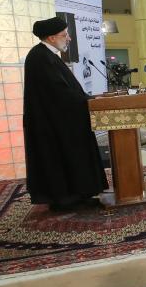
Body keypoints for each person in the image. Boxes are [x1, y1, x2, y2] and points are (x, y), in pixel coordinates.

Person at [24, 17, 108, 211]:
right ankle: (66, 200)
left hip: (62, 120)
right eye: (65, 35)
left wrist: (87, 99)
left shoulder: (48, 55)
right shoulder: (40, 57)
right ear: (52, 38)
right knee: (60, 159)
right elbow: (58, 92)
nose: (69, 38)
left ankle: (78, 195)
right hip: (54, 124)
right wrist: (86, 101)